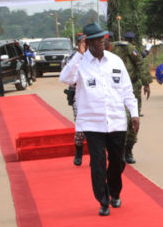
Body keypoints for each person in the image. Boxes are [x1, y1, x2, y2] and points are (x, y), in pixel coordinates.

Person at [59, 22, 139, 215]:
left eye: (102, 38)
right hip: (92, 122)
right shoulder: (80, 63)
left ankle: (114, 191)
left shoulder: (115, 61)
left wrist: (134, 113)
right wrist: (79, 54)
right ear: (87, 42)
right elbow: (65, 78)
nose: (102, 42)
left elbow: (127, 90)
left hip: (117, 120)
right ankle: (102, 201)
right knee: (97, 163)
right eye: (96, 39)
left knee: (118, 160)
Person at [112, 31, 152, 164]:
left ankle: (128, 150)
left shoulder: (127, 48)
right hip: (115, 89)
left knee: (134, 119)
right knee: (121, 120)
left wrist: (145, 82)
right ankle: (121, 151)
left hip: (132, 87)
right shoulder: (108, 51)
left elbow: (139, 63)